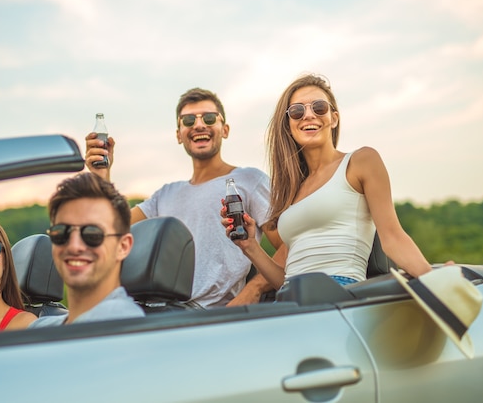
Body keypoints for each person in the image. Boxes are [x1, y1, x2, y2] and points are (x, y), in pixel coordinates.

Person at [222, 73, 435, 289]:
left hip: (340, 292)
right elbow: (284, 281)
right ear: (288, 125)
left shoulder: (361, 161)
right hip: (290, 299)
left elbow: (393, 238)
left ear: (334, 118)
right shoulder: (293, 191)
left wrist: (435, 281)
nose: (308, 115)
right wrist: (249, 246)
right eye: (297, 111)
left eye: (319, 107)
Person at [85, 87, 282, 307]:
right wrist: (101, 176)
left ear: (225, 129)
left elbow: (288, 245)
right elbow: (111, 227)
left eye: (209, 118)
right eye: (188, 121)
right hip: (154, 312)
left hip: (211, 316)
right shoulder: (165, 194)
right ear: (179, 134)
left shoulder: (250, 180)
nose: (199, 125)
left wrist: (253, 290)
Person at [30, 172, 144, 327]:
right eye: (62, 232)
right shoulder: (39, 327)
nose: (74, 246)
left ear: (123, 246)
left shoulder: (124, 328)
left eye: (92, 233)